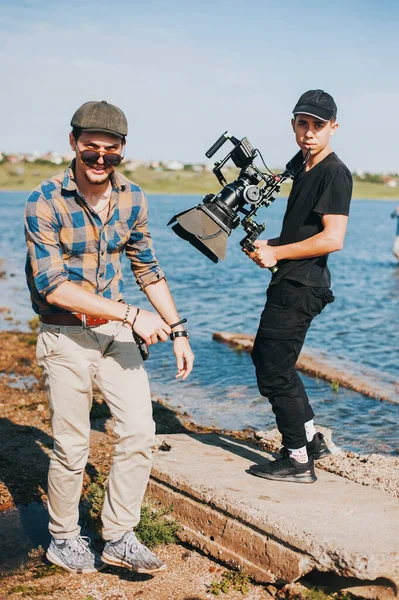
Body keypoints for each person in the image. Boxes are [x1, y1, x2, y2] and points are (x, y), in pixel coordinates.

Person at [24, 100, 194, 573]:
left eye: (111, 152)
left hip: (118, 334)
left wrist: (177, 330)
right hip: (66, 335)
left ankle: (119, 534)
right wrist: (133, 315)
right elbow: (53, 287)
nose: (101, 159)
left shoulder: (134, 198)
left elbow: (148, 268)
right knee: (73, 445)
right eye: (91, 149)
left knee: (140, 432)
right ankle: (64, 537)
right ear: (74, 143)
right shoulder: (44, 200)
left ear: (123, 150)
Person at [246, 90, 352, 484]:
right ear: (293, 125)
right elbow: (302, 231)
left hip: (303, 285)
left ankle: (297, 460)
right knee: (270, 361)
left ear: (333, 128)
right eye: (302, 124)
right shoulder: (305, 167)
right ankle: (311, 440)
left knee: (273, 371)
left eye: (318, 126)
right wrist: (271, 245)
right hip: (291, 278)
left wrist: (279, 253)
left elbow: (333, 238)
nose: (309, 133)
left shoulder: (334, 172)